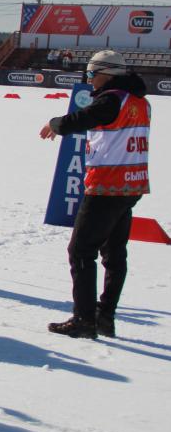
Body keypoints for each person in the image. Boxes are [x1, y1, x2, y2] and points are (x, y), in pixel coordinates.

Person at [39, 50, 150, 339]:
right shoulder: (140, 101)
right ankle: (105, 317)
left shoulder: (112, 99)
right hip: (131, 184)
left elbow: (85, 117)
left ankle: (85, 319)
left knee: (80, 252)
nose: (90, 81)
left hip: (106, 186)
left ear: (107, 73)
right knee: (114, 255)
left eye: (91, 74)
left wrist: (55, 124)